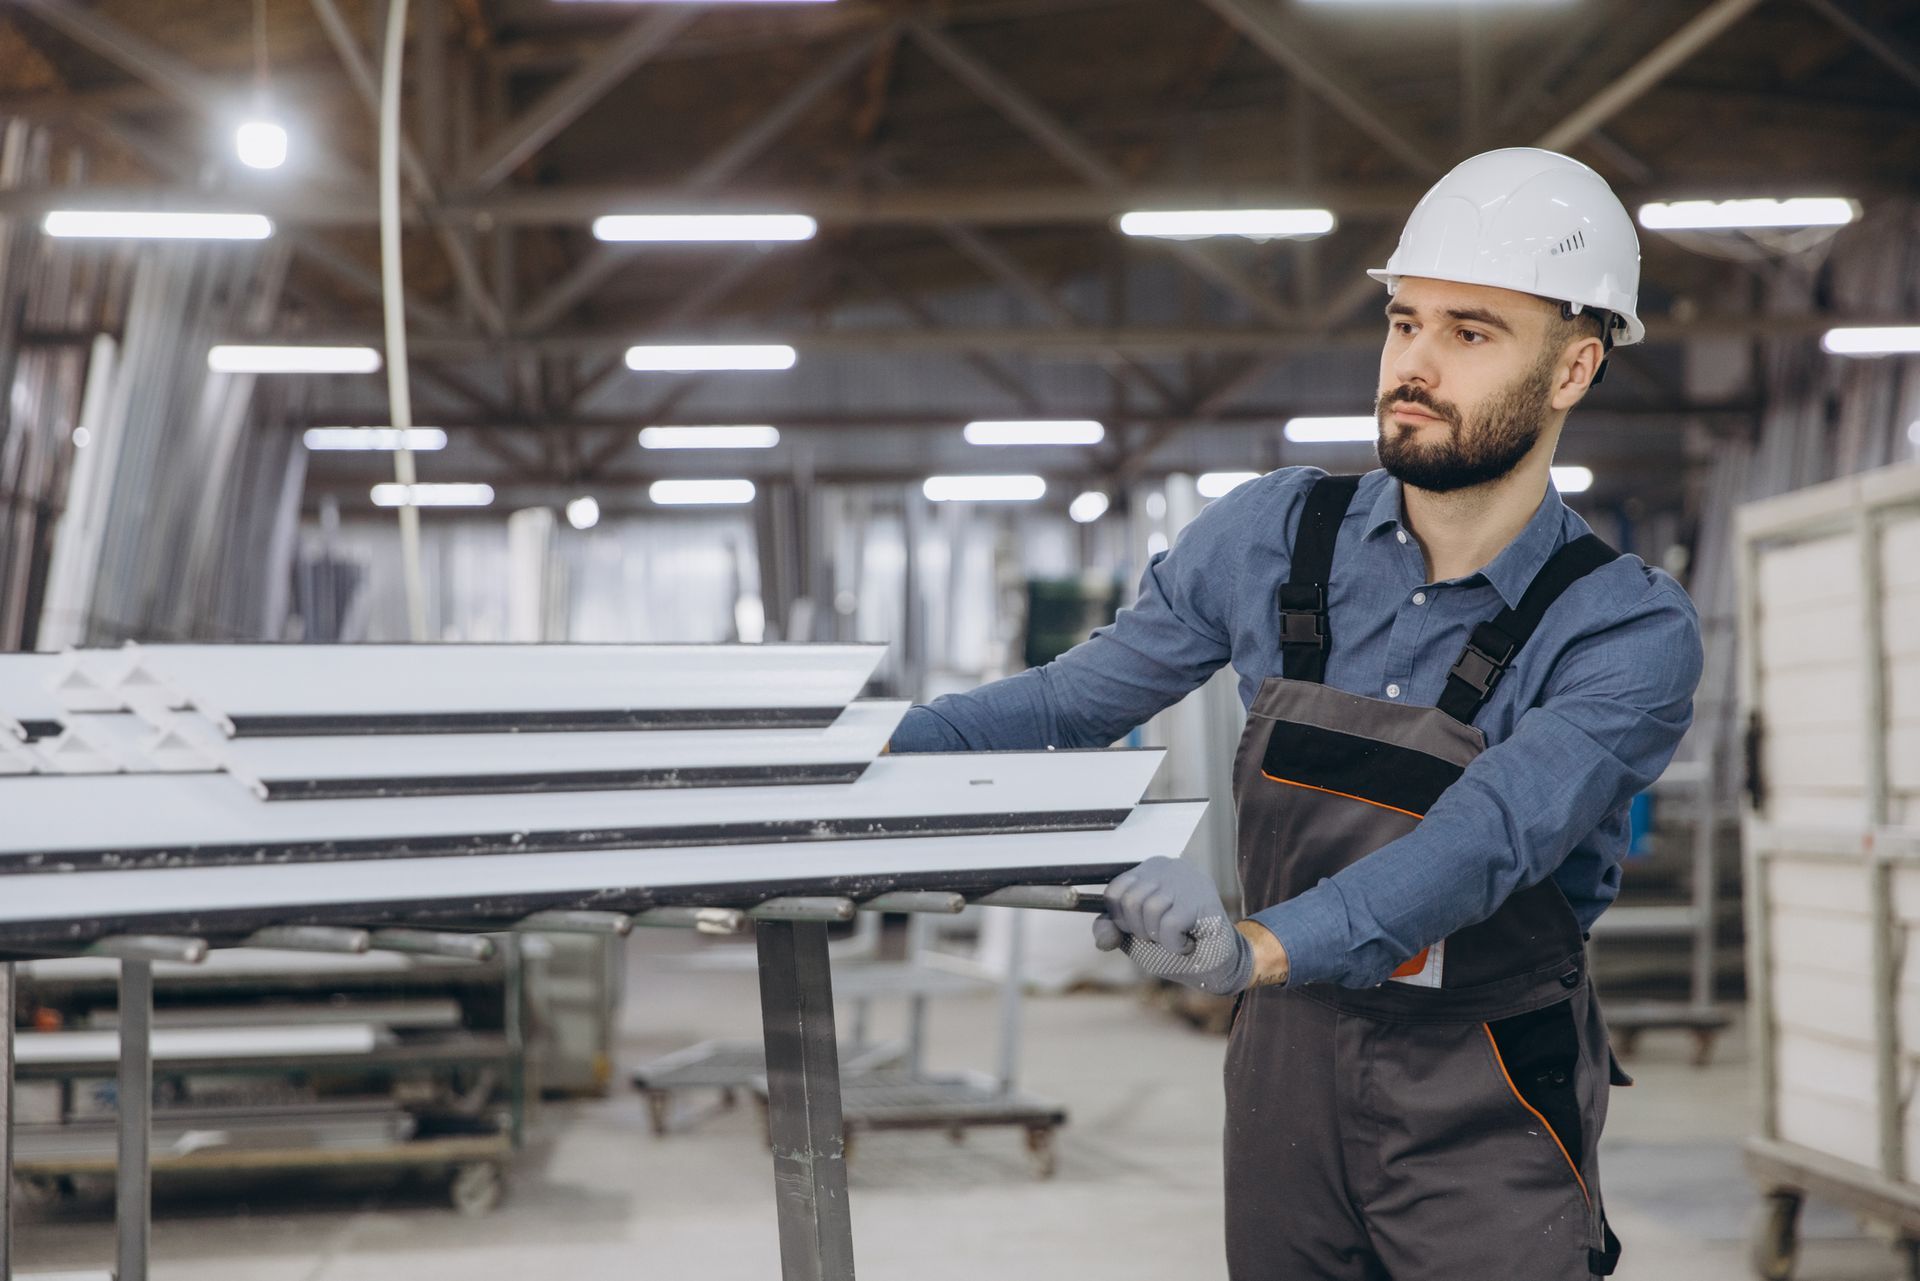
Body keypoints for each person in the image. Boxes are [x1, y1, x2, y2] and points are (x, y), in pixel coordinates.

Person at [886, 147, 1703, 1278]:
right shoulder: (1274, 537)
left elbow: (1485, 840)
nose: (1415, 363)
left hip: (1484, 1078)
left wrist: (1255, 945)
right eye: (1404, 321)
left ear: (1573, 368)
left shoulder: (1624, 628)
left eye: (1471, 334)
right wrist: (852, 757)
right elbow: (1069, 703)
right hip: (1286, 1068)